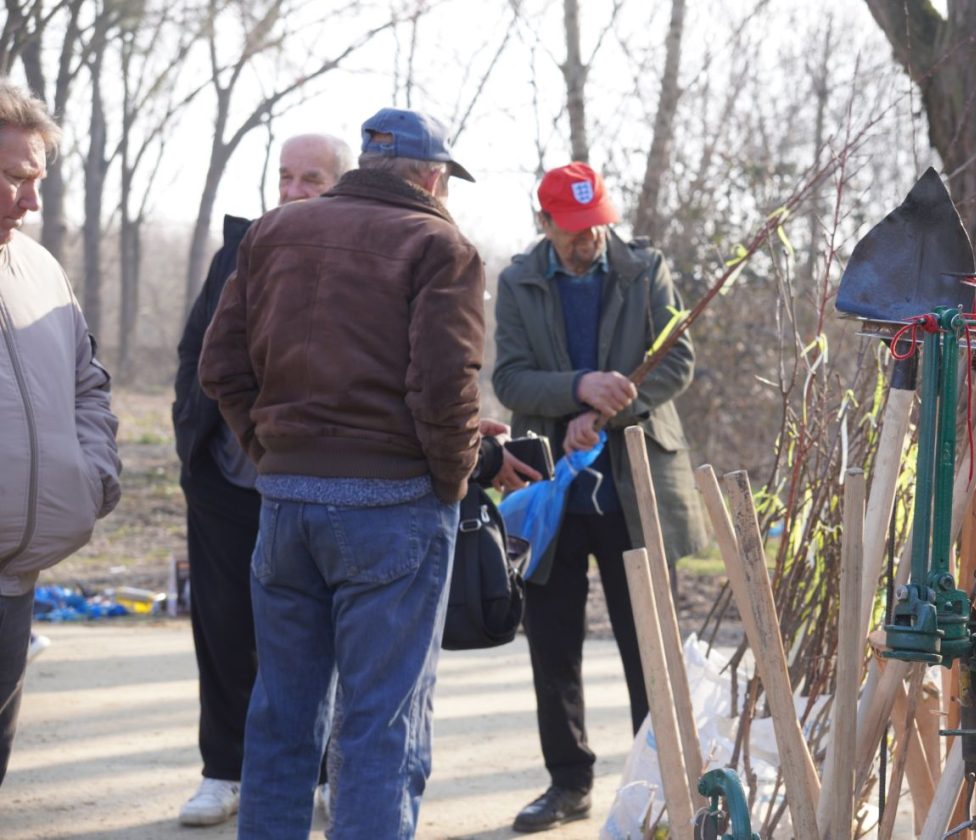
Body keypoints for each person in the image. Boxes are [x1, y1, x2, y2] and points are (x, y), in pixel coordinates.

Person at [199, 107, 486, 839]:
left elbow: (219, 368)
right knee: (379, 725)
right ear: (430, 176)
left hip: (287, 505)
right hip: (392, 505)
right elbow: (445, 388)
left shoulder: (272, 231)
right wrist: (449, 484)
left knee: (280, 716)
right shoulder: (438, 245)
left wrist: (276, 460)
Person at [492, 161, 707, 833]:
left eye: (596, 226)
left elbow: (677, 357)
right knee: (552, 644)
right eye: (573, 230)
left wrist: (613, 407)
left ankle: (660, 782)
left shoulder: (646, 269)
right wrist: (578, 389)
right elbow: (510, 379)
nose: (587, 240)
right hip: (551, 490)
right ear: (546, 223)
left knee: (648, 642)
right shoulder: (518, 281)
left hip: (634, 485)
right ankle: (568, 784)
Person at [172, 132, 353, 826]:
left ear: (341, 186)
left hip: (316, 483)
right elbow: (197, 351)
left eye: (311, 177)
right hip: (226, 478)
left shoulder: (359, 260)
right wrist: (196, 435)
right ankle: (224, 771)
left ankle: (331, 775)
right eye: (285, 176)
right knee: (223, 628)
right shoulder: (239, 251)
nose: (293, 190)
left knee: (324, 635)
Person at [0, 78, 122, 786]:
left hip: (16, 583)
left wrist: (91, 474)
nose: (33, 201)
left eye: (37, 179)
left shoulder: (40, 269)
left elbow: (88, 383)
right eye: (16, 179)